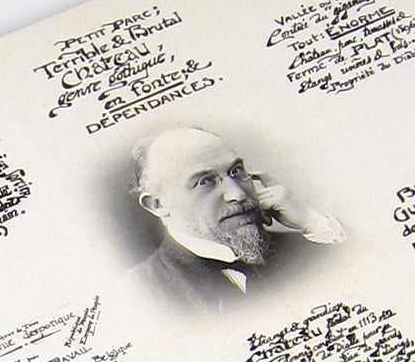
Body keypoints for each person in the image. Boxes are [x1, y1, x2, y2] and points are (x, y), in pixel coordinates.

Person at [126, 127, 343, 311]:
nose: (238, 193)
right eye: (205, 181)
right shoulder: (137, 294)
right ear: (157, 205)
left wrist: (312, 221)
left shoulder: (304, 247)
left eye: (236, 171)